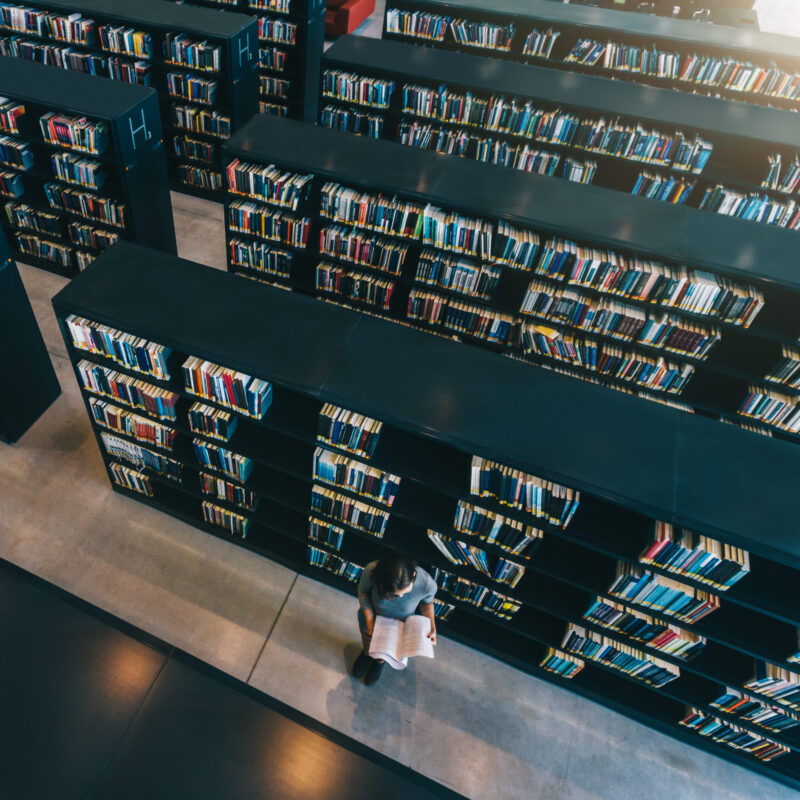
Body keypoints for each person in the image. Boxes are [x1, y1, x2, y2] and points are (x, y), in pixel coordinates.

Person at [352, 553, 437, 686]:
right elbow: (363, 591)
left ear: (413, 575)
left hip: (399, 627)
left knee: (386, 652)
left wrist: (432, 626)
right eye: (394, 594)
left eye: (405, 592)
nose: (401, 596)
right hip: (371, 618)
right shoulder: (372, 570)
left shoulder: (426, 584)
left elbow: (427, 604)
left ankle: (379, 664)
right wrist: (369, 620)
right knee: (368, 642)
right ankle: (366, 654)